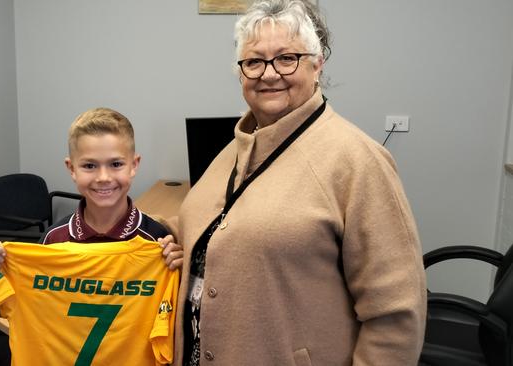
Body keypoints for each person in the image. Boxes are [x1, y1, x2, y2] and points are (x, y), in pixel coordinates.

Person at [160, 0, 427, 365]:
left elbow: (396, 314)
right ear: (241, 74)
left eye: (287, 58)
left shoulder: (357, 160)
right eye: (253, 62)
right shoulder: (238, 146)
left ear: (318, 65)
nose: (268, 74)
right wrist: (165, 236)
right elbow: (219, 223)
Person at [0, 107, 183, 273]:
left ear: (134, 165)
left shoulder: (158, 240)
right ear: (71, 169)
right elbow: (20, 302)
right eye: (90, 166)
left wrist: (182, 270)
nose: (103, 177)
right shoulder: (53, 239)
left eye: (116, 164)